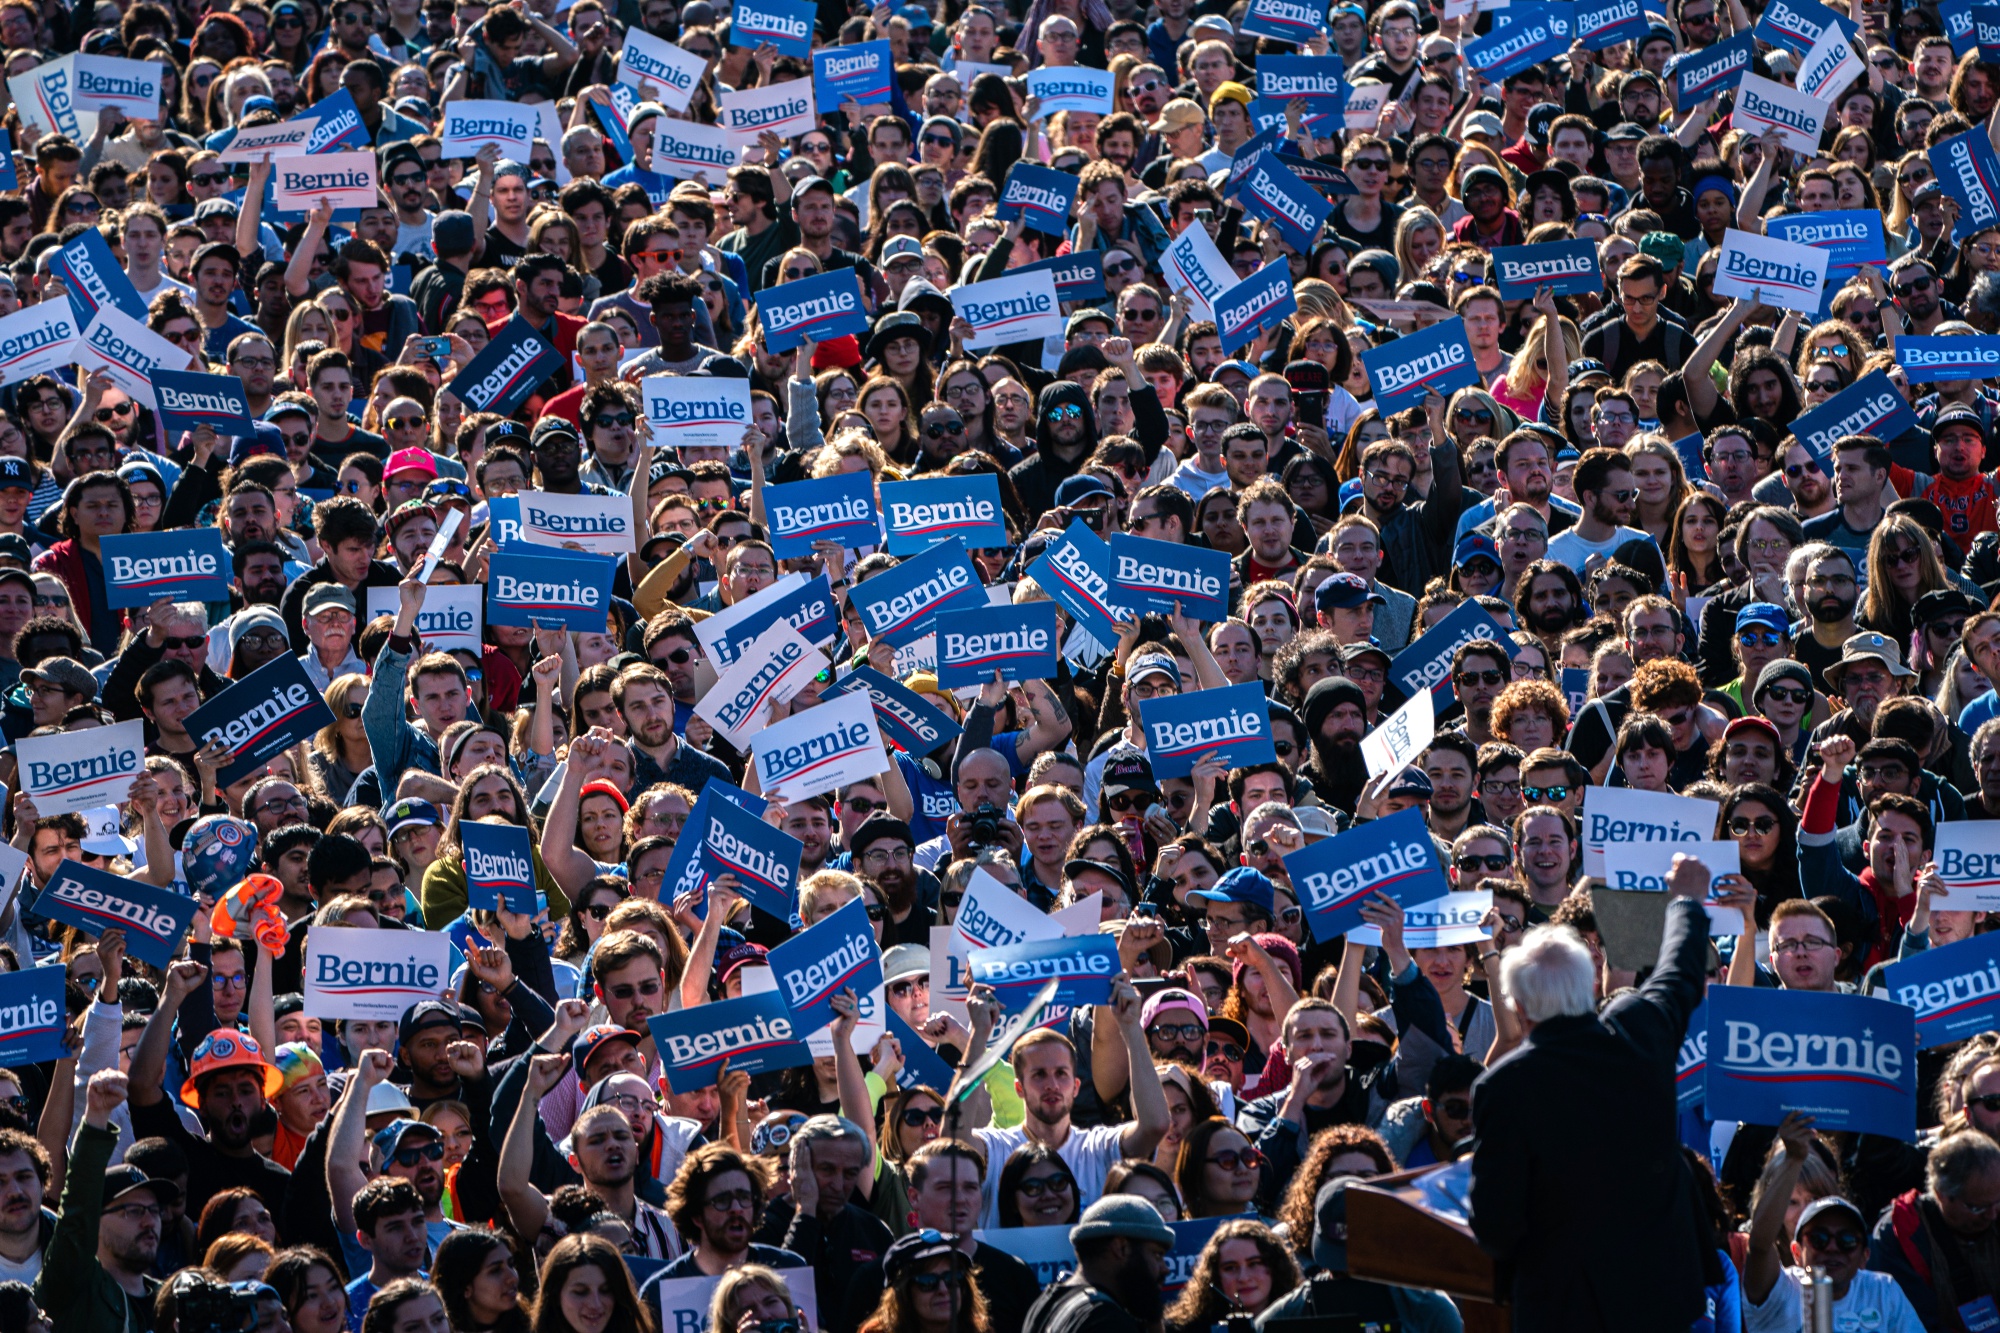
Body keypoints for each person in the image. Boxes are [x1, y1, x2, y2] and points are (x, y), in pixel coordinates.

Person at [1468, 854, 1716, 1329]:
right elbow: (1678, 976)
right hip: (1661, 1303)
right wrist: (1686, 901)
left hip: (1562, 1311)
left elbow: (1497, 1228)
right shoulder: (1638, 1034)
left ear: (1518, 1004)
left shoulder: (1503, 1087)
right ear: (1588, 984)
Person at [1022, 1196, 1175, 1333]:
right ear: (1121, 1248)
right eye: (1157, 1255)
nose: (1165, 1268)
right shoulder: (1109, 1323)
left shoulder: (1044, 1305)